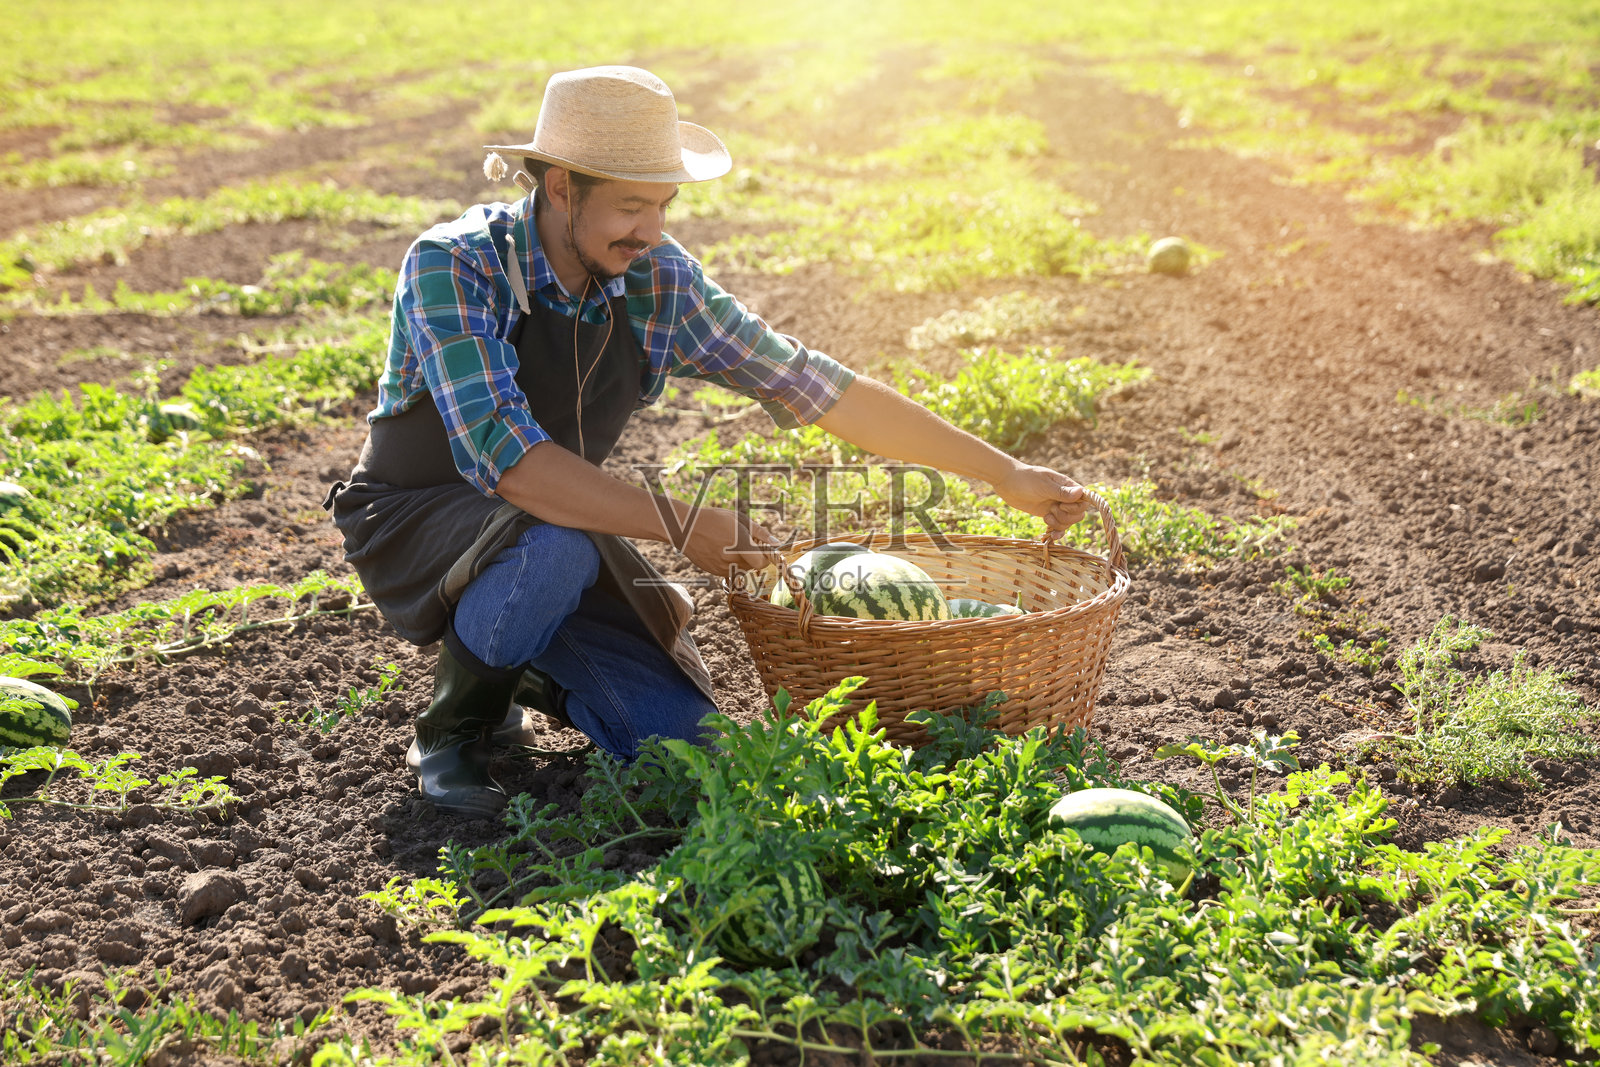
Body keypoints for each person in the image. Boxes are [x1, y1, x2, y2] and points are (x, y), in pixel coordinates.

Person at [325, 65, 1089, 817]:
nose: (652, 230)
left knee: (694, 747)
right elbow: (513, 467)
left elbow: (815, 385)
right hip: (418, 514)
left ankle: (522, 666)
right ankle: (457, 728)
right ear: (560, 187)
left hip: (559, 530)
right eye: (631, 205)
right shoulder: (455, 266)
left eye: (664, 204)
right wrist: (684, 522)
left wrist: (1002, 470)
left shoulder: (658, 281)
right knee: (554, 547)